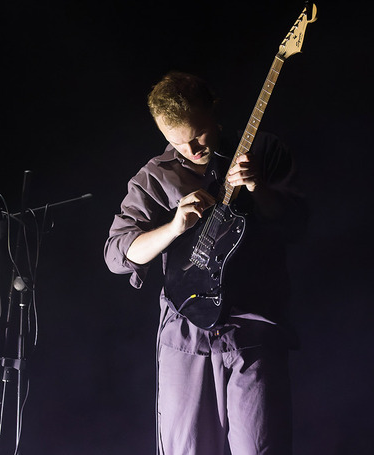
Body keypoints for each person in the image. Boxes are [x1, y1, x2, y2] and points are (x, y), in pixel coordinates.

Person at [104, 71, 308, 454]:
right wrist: (173, 226)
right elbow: (119, 254)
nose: (191, 149)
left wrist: (258, 188)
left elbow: (297, 224)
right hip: (185, 336)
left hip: (253, 330)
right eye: (176, 142)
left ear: (213, 111)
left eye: (197, 135)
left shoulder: (264, 150)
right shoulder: (152, 178)